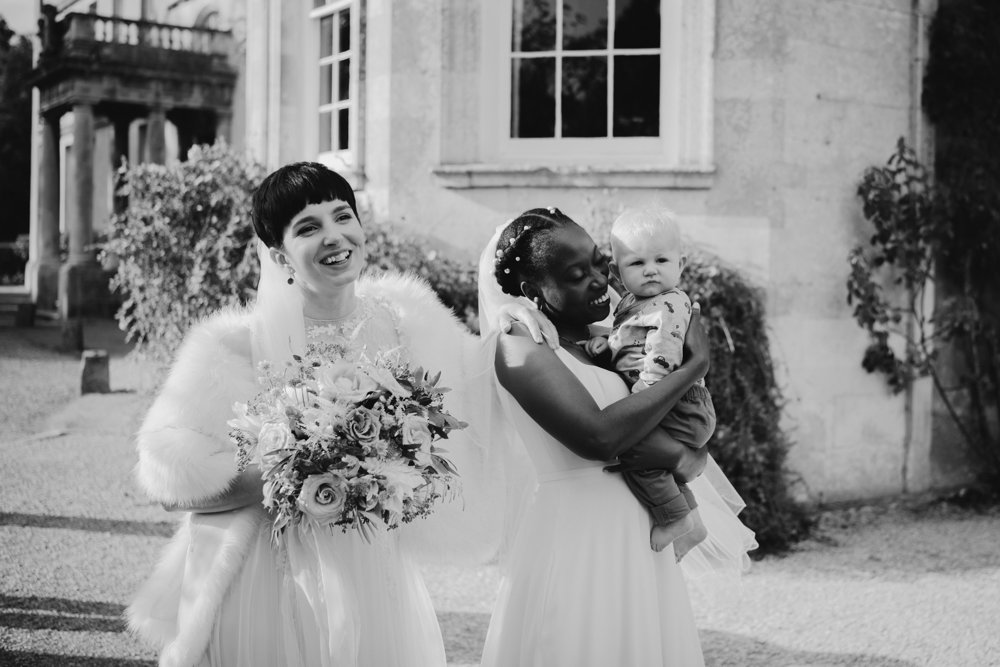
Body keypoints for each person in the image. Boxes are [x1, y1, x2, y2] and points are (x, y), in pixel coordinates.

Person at [125, 162, 555, 667]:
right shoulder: (230, 347)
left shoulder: (406, 320)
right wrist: (294, 474)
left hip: (372, 567)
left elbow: (476, 391)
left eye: (341, 215)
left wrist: (511, 321)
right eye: (309, 228)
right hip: (267, 572)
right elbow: (170, 476)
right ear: (280, 254)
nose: (334, 236)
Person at [478, 207, 756, 667]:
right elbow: (599, 437)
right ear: (532, 292)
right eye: (575, 273)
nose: (597, 279)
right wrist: (693, 367)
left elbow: (682, 445)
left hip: (639, 534)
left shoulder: (610, 340)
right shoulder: (519, 346)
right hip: (577, 537)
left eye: (598, 263)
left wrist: (686, 457)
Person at [584, 207, 715, 554]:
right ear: (616, 271)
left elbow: (662, 352)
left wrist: (642, 400)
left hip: (675, 402)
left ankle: (675, 519)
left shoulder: (670, 303)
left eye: (661, 260)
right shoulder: (633, 303)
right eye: (637, 263)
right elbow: (628, 342)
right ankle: (691, 524)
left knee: (637, 455)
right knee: (656, 464)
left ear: (681, 265)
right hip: (671, 401)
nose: (651, 270)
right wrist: (605, 346)